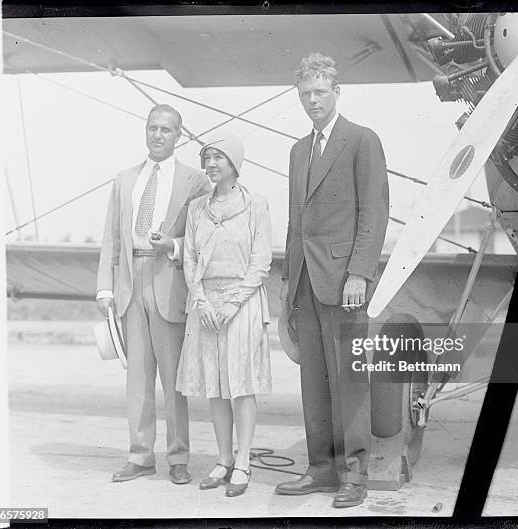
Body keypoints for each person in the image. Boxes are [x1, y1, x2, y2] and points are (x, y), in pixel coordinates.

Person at [275, 53, 389, 508]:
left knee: (349, 381)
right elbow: (294, 223)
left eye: (320, 92)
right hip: (305, 281)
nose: (312, 101)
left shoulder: (361, 140)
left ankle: (354, 474)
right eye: (305, 94)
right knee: (315, 383)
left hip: (345, 281)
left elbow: (375, 212)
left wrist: (359, 272)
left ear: (336, 93)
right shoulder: (298, 150)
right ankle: (320, 468)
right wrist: (287, 281)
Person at [96, 104, 211, 484]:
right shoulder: (125, 179)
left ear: (179, 135)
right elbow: (112, 237)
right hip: (131, 282)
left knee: (174, 379)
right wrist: (104, 287)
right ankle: (141, 456)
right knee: (138, 379)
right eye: (152, 128)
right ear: (145, 132)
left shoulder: (195, 181)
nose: (158, 135)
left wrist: (172, 246)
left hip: (169, 279)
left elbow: (201, 237)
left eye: (166, 129)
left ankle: (178, 458)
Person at [176, 134, 272, 498]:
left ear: (235, 164)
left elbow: (261, 262)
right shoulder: (197, 207)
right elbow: (189, 258)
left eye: (219, 157)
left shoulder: (256, 205)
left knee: (240, 384)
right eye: (208, 157)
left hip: (241, 305)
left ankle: (244, 461)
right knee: (214, 384)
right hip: (205, 305)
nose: (212, 163)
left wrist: (232, 304)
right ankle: (223, 459)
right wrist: (200, 301)